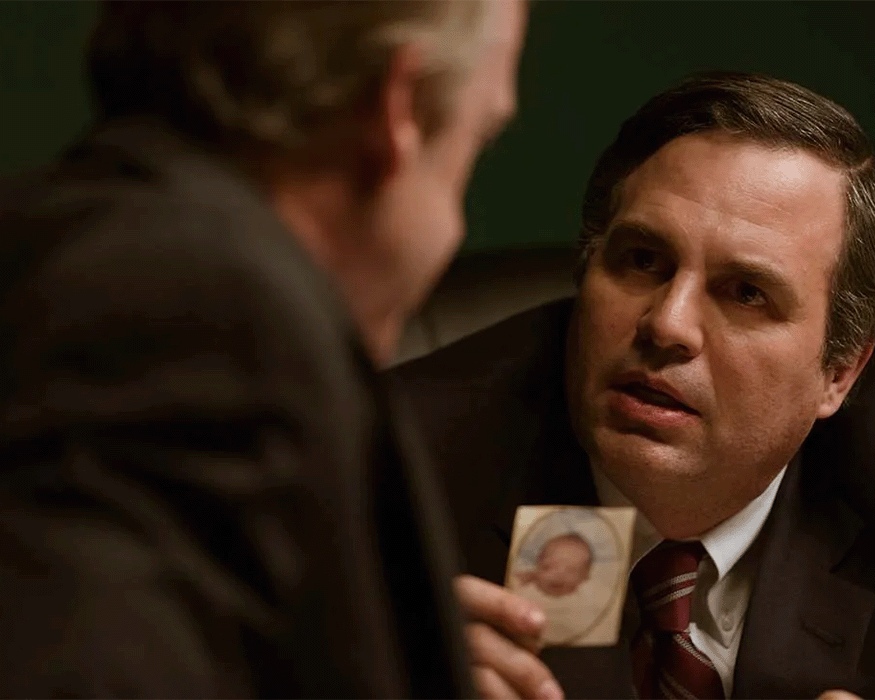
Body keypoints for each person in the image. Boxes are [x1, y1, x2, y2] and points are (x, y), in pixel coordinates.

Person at [397, 72, 875, 698]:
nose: (667, 324)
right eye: (642, 260)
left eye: (746, 293)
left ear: (839, 371)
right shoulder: (395, 472)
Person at [0, 0, 525, 696]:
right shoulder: (203, 322)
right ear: (396, 110)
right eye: (477, 141)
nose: (452, 227)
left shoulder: (60, 238)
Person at [516, 533, 594, 597]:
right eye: (548, 567)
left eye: (571, 570)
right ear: (537, 567)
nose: (559, 575)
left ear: (585, 576)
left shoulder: (585, 598)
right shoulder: (526, 588)